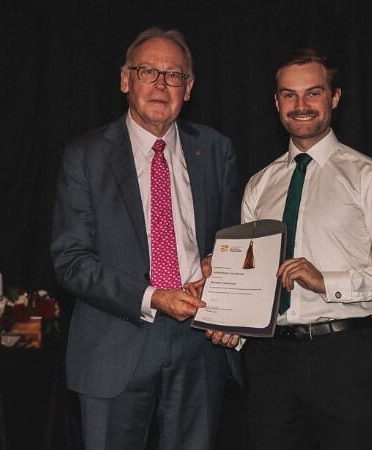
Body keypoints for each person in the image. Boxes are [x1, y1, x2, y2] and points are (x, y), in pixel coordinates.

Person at [202, 48, 372, 449]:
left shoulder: (368, 176)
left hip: (341, 358)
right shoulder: (259, 184)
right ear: (276, 102)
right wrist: (229, 320)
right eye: (289, 95)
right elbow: (250, 277)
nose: (301, 106)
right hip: (269, 362)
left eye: (313, 93)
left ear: (334, 97)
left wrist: (327, 281)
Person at [50, 27, 242, 450]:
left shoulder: (214, 149)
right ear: (125, 81)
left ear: (188, 89)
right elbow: (71, 259)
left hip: (199, 340)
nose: (160, 84)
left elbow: (231, 240)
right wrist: (154, 296)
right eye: (147, 72)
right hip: (113, 342)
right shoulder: (85, 155)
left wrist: (216, 266)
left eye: (174, 75)